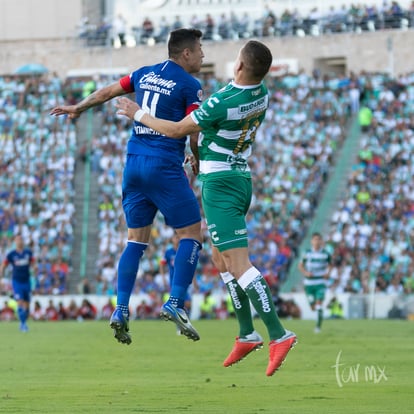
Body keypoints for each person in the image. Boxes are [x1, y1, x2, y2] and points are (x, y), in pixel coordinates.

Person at [115, 40, 297, 377]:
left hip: (221, 184)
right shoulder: (260, 93)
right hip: (238, 176)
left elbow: (176, 130)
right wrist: (199, 153)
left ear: (240, 67)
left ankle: (279, 334)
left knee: (239, 264)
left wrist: (136, 112)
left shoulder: (221, 102)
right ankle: (246, 333)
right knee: (219, 258)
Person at [50, 28, 205, 345]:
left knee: (135, 240)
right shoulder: (191, 85)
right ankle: (175, 302)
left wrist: (79, 107)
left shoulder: (145, 74)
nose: (203, 55)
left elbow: (109, 91)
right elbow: (190, 131)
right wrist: (197, 156)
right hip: (163, 165)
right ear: (186, 53)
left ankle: (120, 309)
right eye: (200, 49)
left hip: (133, 163)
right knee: (191, 234)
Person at [0, 234, 37, 332]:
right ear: (15, 241)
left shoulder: (28, 253)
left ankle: (23, 321)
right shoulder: (11, 254)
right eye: (17, 239)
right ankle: (23, 324)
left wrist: (35, 269)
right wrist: (1, 277)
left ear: (23, 241)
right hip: (16, 281)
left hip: (27, 281)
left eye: (21, 239)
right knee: (19, 302)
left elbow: (33, 264)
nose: (19, 241)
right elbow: (3, 265)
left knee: (27, 305)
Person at [298, 232, 332, 333]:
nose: (317, 241)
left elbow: (331, 265)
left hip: (320, 282)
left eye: (319, 239)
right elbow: (300, 266)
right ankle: (318, 317)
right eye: (315, 239)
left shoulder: (325, 253)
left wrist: (328, 273)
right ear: (311, 241)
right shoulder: (307, 253)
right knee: (313, 307)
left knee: (318, 304)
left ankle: (318, 327)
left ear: (321, 241)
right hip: (309, 284)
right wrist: (306, 272)